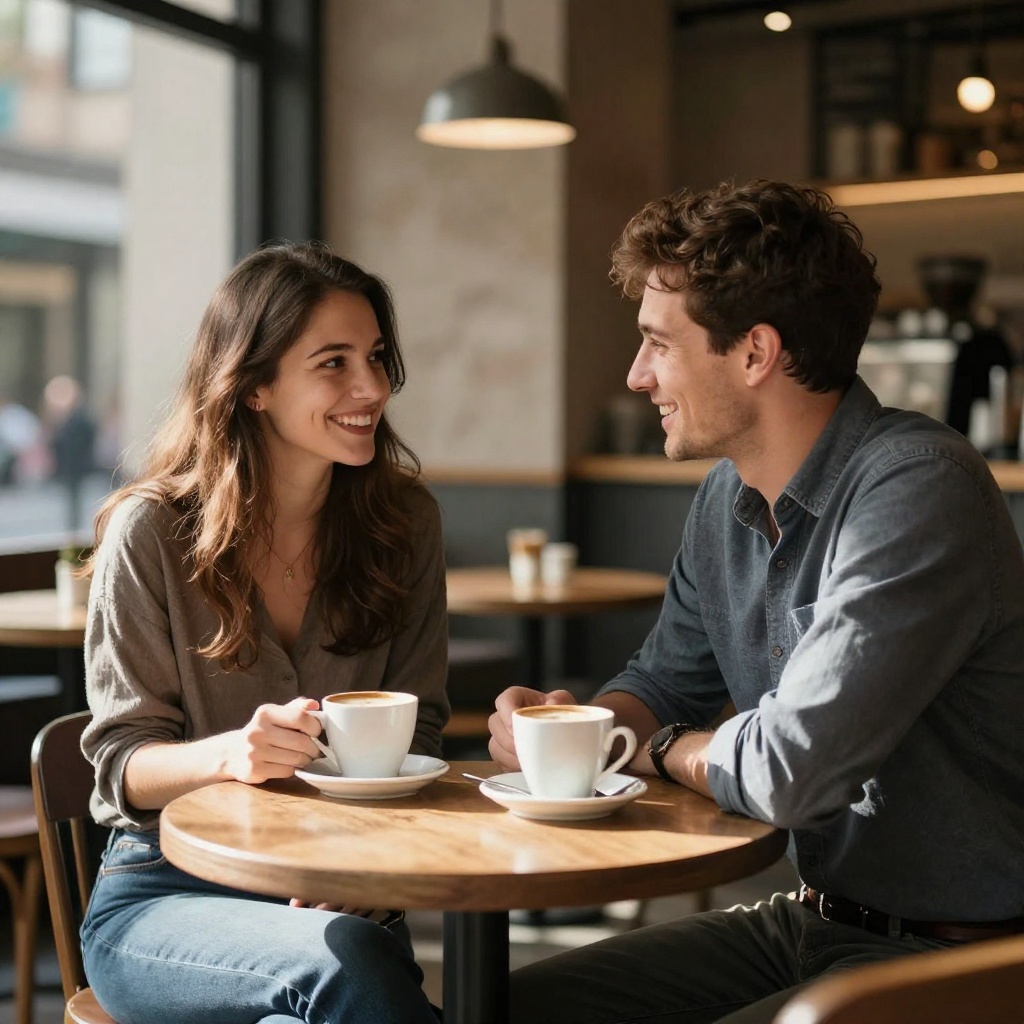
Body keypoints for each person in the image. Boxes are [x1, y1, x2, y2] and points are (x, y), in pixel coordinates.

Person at [488, 179, 1024, 1024]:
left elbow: (789, 771)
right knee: (503, 1010)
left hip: (969, 957)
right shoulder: (723, 500)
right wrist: (574, 734)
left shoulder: (919, 488)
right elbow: (663, 686)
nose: (636, 377)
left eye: (659, 345)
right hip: (814, 921)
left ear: (754, 353)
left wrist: (658, 748)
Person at [80, 242, 448, 1024]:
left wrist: (358, 863)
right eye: (333, 363)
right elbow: (119, 766)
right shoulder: (150, 532)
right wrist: (230, 757)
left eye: (377, 357)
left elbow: (427, 727)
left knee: (327, 988)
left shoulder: (405, 525)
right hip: (165, 894)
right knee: (348, 970)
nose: (372, 387)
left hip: (344, 887)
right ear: (253, 387)